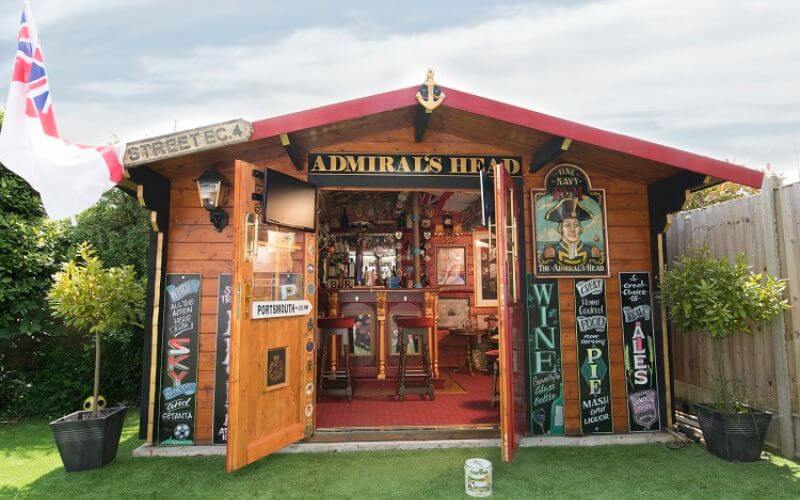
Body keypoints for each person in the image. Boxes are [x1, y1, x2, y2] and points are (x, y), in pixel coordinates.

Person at [541, 197, 603, 266]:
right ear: (561, 228)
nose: (572, 229)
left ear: (579, 228)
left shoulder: (592, 251)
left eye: (576, 225)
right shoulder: (551, 252)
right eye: (567, 225)